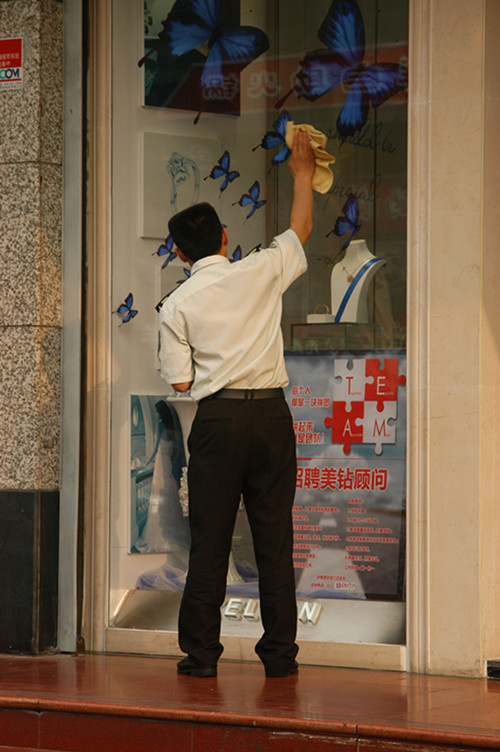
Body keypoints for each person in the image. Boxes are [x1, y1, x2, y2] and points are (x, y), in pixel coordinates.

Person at [159, 131, 316, 677]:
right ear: (225, 238)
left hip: (219, 420)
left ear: (180, 253)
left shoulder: (176, 305)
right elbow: (301, 230)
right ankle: (280, 656)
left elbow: (182, 384)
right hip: (271, 414)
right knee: (275, 537)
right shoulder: (259, 269)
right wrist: (301, 174)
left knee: (210, 540)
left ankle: (201, 656)